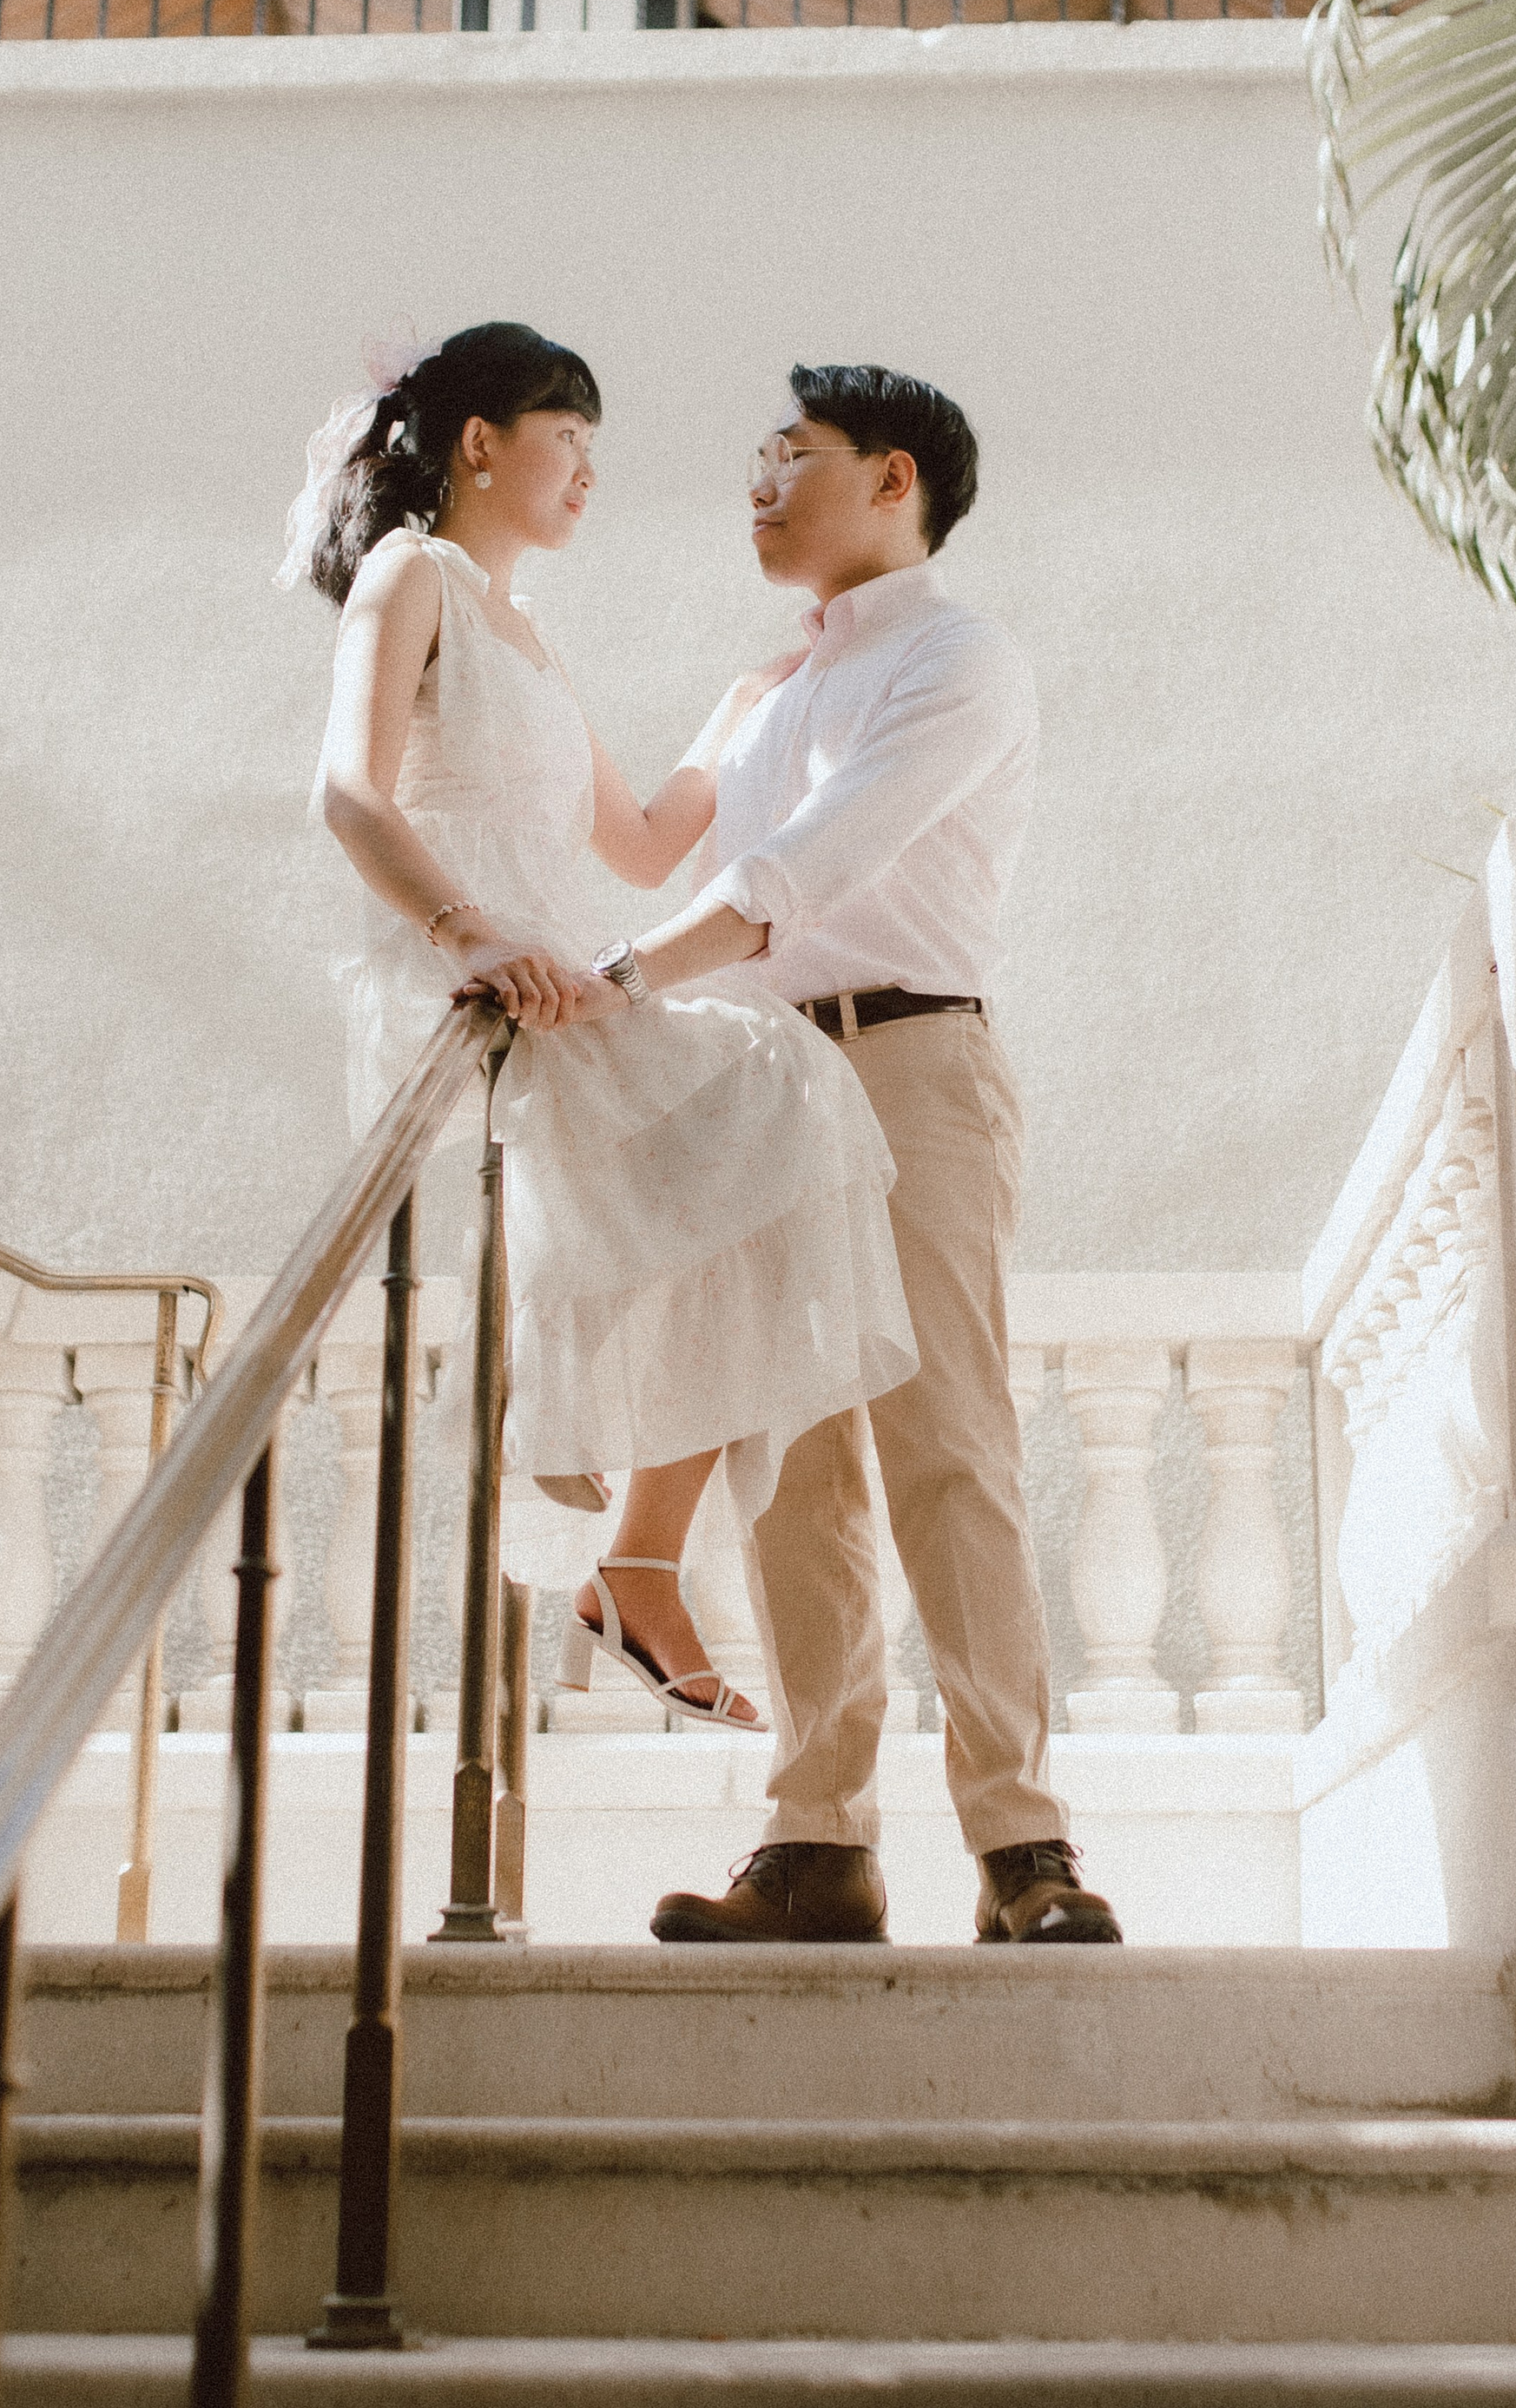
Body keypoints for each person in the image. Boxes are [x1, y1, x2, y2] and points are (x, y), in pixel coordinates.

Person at [293, 321, 917, 1733]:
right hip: (478, 974)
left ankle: (636, 1555)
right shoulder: (412, 575)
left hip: (555, 976)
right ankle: (622, 1534)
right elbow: (350, 793)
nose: (587, 471)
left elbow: (637, 842)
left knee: (771, 1119)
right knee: (773, 1084)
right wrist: (470, 932)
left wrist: (740, 710)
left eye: (592, 448)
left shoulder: (527, 634)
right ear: (480, 444)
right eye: (566, 439)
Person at [612, 365, 1123, 1947]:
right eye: (754, 459)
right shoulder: (767, 690)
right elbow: (646, 838)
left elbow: (806, 863)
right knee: (790, 1468)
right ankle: (817, 1841)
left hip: (912, 1063)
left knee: (946, 1442)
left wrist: (623, 978)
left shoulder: (961, 659)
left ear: (894, 478)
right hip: (767, 1081)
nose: (758, 484)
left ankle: (1023, 1846)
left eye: (792, 454)